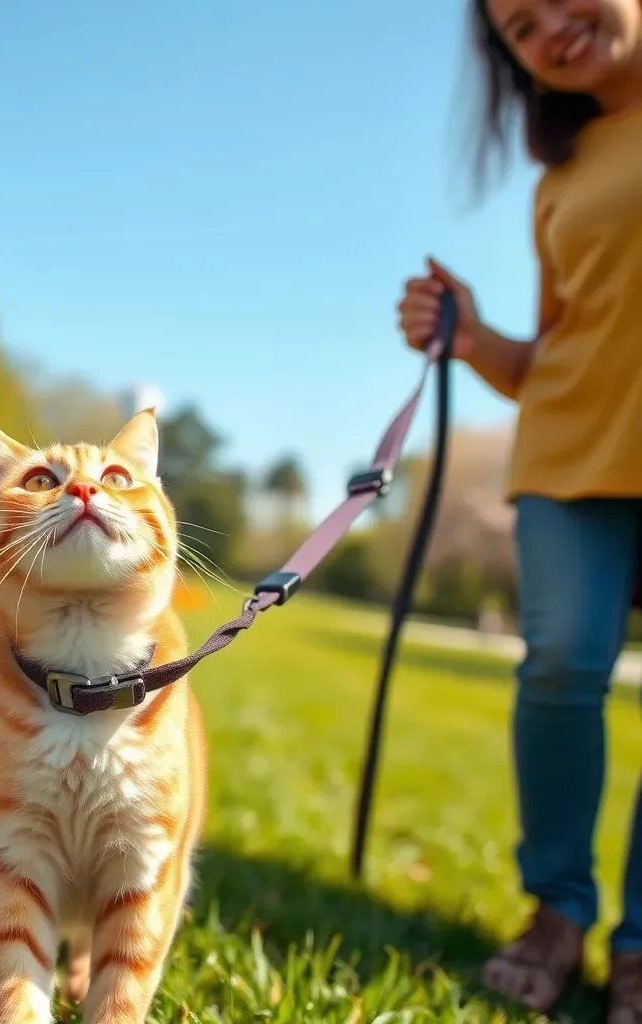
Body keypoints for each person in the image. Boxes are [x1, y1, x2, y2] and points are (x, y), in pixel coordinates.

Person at [396, 1, 642, 1021]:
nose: (547, 26)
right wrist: (470, 335)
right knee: (558, 666)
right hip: (571, 454)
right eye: (516, 23)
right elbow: (550, 355)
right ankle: (557, 909)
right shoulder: (562, 180)